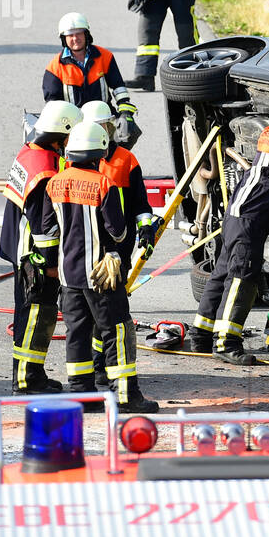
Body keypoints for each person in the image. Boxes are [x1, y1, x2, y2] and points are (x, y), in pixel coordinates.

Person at [167, 95, 269, 364]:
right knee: (242, 277)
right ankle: (227, 342)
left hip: (239, 214)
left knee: (223, 272)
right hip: (250, 217)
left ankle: (202, 334)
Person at [44, 121, 159, 412]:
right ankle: (125, 395)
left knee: (77, 334)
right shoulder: (103, 183)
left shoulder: (55, 183)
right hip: (101, 276)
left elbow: (47, 230)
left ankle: (82, 396)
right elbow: (118, 231)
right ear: (100, 152)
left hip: (69, 277)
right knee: (116, 331)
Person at [69, 100, 160, 390]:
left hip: (113, 255)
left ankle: (101, 369)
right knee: (107, 318)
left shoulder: (126, 161)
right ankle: (109, 375)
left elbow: (140, 205)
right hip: (91, 252)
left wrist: (147, 230)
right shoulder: (74, 160)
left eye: (105, 127)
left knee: (103, 317)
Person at [0, 100, 81, 393]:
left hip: (19, 247)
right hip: (33, 254)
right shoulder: (45, 168)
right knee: (37, 313)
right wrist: (50, 264)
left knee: (27, 312)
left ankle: (27, 375)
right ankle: (28, 379)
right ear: (62, 134)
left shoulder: (31, 152)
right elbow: (43, 225)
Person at [43, 13, 139, 129]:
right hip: (73, 123)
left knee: (130, 131)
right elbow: (53, 103)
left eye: (79, 33)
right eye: (70, 35)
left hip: (104, 117)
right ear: (64, 38)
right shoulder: (55, 66)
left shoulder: (105, 56)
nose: (75, 38)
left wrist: (125, 113)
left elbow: (118, 86)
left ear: (86, 34)